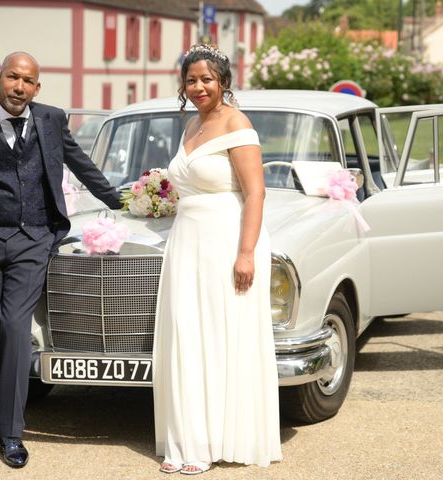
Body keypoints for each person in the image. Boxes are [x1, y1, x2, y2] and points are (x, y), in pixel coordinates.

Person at [0, 52, 122, 468]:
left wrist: (122, 199)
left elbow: (81, 163)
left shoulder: (52, 119)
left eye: (28, 81)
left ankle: (12, 435)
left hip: (33, 240)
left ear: (37, 87)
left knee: (16, 328)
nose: (19, 87)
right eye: (12, 78)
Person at [152, 44, 282, 475]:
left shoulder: (236, 122)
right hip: (186, 242)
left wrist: (246, 253)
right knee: (186, 335)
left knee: (221, 336)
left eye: (207, 79)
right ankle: (188, 440)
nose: (198, 86)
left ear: (223, 80)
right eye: (191, 80)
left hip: (227, 242)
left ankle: (219, 440)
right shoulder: (191, 124)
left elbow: (255, 192)